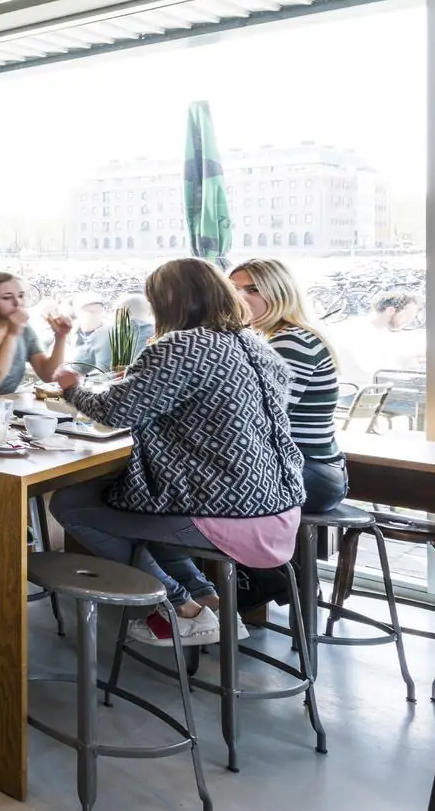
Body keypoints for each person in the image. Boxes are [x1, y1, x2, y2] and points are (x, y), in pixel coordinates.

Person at [51, 258, 304, 647]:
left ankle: (178, 608)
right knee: (134, 515)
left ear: (168, 302)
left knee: (71, 505)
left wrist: (71, 386)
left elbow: (116, 411)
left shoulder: (183, 344)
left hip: (230, 512)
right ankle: (210, 604)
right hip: (280, 506)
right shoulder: (257, 346)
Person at [230, 257, 347, 621]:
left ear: (278, 292)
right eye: (233, 289)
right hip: (303, 468)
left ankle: (263, 580)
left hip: (311, 472)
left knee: (192, 491)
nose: (240, 297)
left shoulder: (290, 342)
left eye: (252, 289)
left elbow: (259, 417)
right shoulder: (268, 339)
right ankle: (245, 583)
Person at [68, 299, 112, 375]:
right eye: (87, 311)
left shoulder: (110, 334)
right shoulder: (67, 330)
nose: (92, 315)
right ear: (77, 312)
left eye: (97, 311)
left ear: (103, 312)